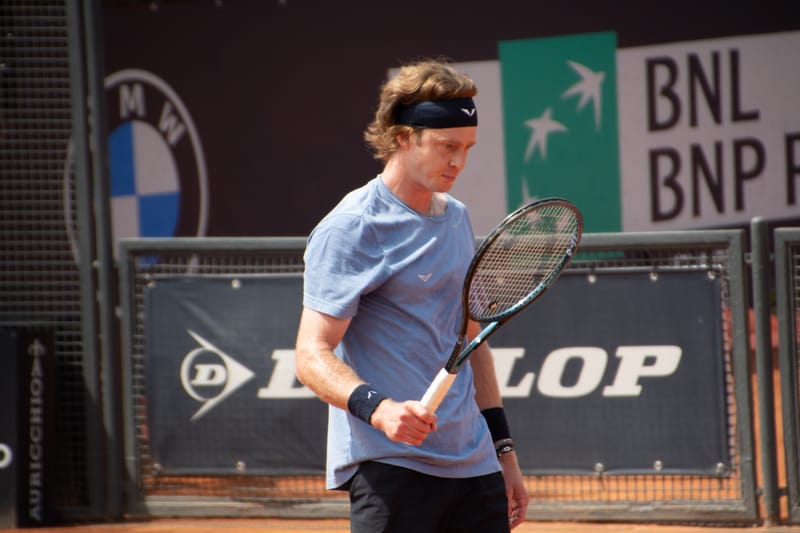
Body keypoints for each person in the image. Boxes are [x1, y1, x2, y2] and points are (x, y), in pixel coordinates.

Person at [295, 58, 529, 532]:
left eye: (467, 148)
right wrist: (378, 409)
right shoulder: (352, 227)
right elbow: (309, 354)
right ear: (403, 137)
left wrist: (503, 452)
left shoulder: (458, 217)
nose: (458, 162)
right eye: (447, 146)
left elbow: (471, 341)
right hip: (393, 467)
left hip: (475, 466)